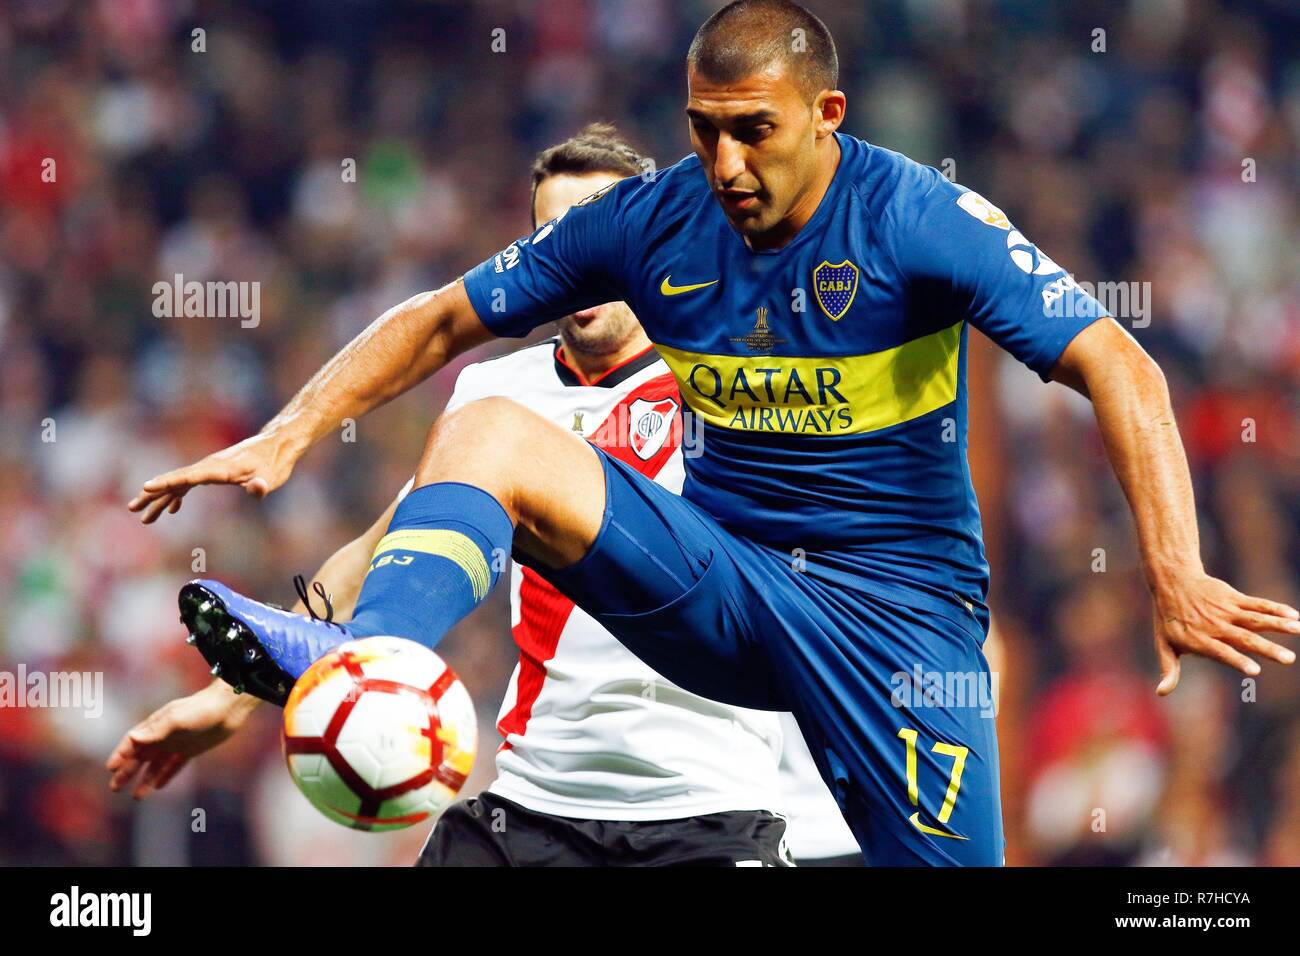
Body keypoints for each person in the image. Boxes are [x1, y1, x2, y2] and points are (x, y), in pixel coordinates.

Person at [128, 0, 1299, 865]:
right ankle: (371, 661)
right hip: (728, 584)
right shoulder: (653, 222)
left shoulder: (922, 220)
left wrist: (1175, 566)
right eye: (702, 131)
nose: (726, 164)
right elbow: (441, 320)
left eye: (752, 130)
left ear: (827, 116)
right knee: (491, 419)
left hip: (897, 627)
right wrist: (288, 434)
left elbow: (1120, 363)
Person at [109, 125, 860, 867]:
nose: (579, 258)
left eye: (599, 233)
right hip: (533, 805)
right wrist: (226, 701)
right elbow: (380, 551)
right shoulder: (497, 392)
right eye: (555, 240)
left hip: (706, 806)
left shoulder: (734, 377)